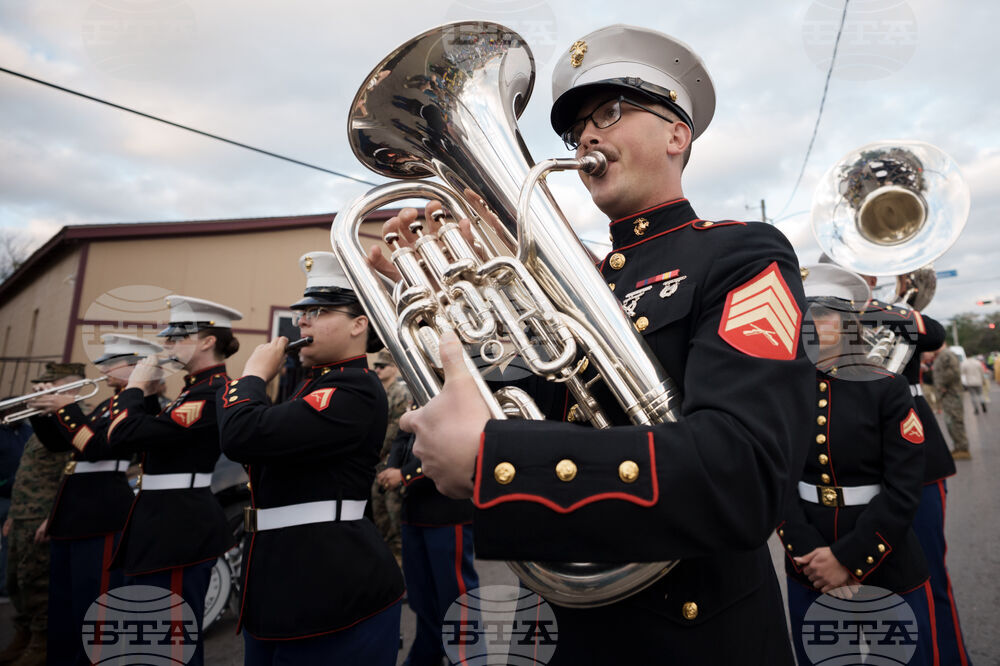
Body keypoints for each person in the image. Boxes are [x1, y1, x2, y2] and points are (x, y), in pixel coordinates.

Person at [374, 25, 814, 664]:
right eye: (575, 126)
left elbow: (744, 475)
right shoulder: (564, 278)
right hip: (574, 633)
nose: (586, 136)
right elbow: (519, 404)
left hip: (699, 636)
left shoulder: (741, 253)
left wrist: (497, 460)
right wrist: (438, 301)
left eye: (609, 111)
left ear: (676, 134)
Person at [217, 252, 403, 665]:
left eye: (319, 311)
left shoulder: (352, 390)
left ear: (359, 323)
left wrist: (250, 377)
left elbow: (241, 433)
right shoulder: (314, 385)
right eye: (302, 311)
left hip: (327, 590)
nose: (302, 321)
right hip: (281, 582)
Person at [778, 264, 935, 665]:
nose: (813, 325)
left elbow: (903, 489)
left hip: (885, 561)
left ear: (849, 322)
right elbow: (776, 481)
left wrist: (846, 559)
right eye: (805, 315)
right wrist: (810, 554)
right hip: (809, 564)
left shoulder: (886, 388)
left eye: (825, 315)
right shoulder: (781, 393)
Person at [107, 296, 241, 666]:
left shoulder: (209, 392)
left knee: (170, 641)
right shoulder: (193, 388)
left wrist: (133, 388)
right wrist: (149, 397)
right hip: (163, 522)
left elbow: (123, 435)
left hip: (177, 528)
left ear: (206, 341)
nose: (166, 345)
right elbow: (161, 440)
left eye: (176, 337)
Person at [26, 334, 162, 665]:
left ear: (135, 367)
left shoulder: (141, 405)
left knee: (93, 606)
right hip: (73, 513)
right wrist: (43, 411)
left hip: (101, 514)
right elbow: (63, 446)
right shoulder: (107, 404)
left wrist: (67, 409)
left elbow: (98, 448)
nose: (102, 369)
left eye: (111, 363)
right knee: (64, 608)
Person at [860, 292, 973, 664]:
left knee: (928, 574)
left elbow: (935, 335)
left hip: (915, 450)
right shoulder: (820, 314)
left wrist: (875, 307)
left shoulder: (890, 310)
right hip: (853, 459)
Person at [0, 364, 81, 666]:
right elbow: (28, 471)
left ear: (69, 386)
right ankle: (23, 636)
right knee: (17, 582)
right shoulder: (45, 421)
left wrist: (53, 516)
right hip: (23, 514)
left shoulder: (73, 420)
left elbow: (69, 475)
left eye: (51, 384)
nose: (42, 389)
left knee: (39, 584)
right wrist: (14, 514)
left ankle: (41, 643)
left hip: (44, 514)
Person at [379, 429, 478, 666]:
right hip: (414, 510)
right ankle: (428, 654)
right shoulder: (417, 397)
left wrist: (404, 474)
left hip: (446, 511)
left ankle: (467, 659)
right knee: (421, 597)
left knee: (455, 598)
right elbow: (403, 438)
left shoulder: (451, 395)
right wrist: (392, 469)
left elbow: (449, 447)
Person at [371, 348, 410, 564]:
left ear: (394, 368)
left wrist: (377, 452)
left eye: (382, 366)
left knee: (395, 518)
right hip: (378, 464)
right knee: (381, 518)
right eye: (375, 366)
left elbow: (395, 431)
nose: (377, 369)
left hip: (390, 462)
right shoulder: (381, 391)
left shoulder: (400, 393)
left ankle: (402, 569)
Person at [932, 344, 970, 459]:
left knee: (955, 420)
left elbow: (953, 371)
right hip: (948, 394)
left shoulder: (947, 354)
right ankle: (958, 447)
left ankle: (962, 449)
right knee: (950, 422)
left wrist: (943, 385)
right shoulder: (942, 355)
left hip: (951, 393)